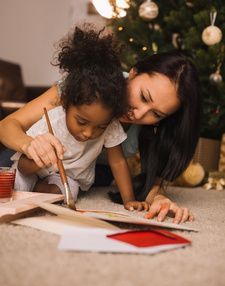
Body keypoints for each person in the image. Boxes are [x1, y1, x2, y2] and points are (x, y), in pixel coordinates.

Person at [0, 25, 203, 224]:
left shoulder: (155, 128)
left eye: (156, 113)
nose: (138, 113)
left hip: (88, 173)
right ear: (133, 73)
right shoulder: (86, 86)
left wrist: (158, 198)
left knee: (81, 186)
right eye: (143, 96)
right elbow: (8, 124)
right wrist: (30, 146)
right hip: (35, 154)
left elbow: (151, 177)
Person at [8, 24, 147, 211]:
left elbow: (118, 161)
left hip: (66, 177)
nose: (89, 133)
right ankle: (30, 189)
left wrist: (129, 199)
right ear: (65, 102)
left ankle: (36, 191)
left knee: (66, 195)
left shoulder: (111, 125)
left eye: (100, 126)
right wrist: (37, 159)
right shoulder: (51, 120)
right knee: (15, 186)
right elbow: (24, 167)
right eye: (81, 121)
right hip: (30, 169)